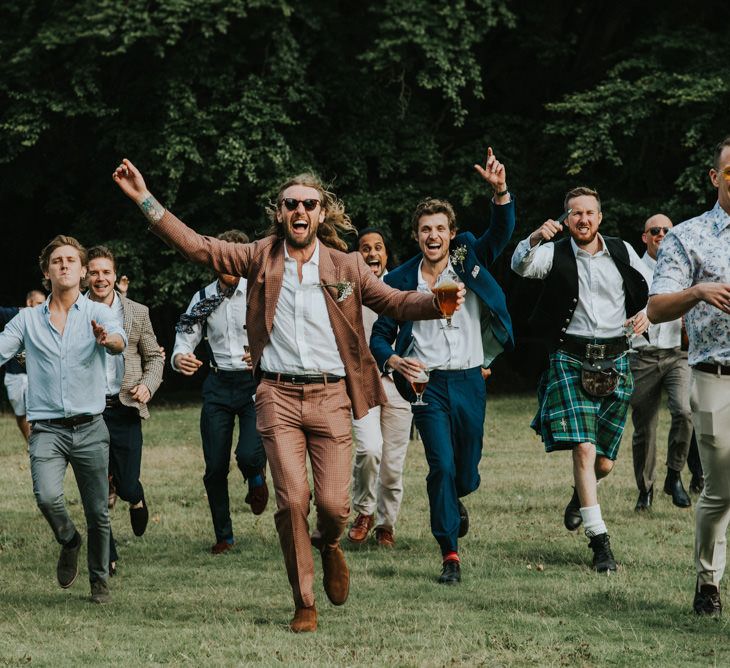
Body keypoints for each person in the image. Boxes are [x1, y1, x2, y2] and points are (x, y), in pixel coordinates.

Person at [113, 160, 452, 633]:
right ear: (279, 213)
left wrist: (435, 302)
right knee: (293, 500)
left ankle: (330, 544)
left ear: (320, 212)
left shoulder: (346, 264)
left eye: (309, 204)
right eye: (291, 203)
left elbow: (394, 301)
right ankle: (304, 601)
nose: (300, 210)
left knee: (333, 507)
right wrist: (143, 199)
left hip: (333, 397)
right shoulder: (258, 257)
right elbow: (198, 248)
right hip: (276, 394)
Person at [370, 147, 515, 585]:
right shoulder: (399, 280)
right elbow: (379, 335)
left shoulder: (469, 257)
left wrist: (501, 192)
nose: (433, 236)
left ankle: (456, 499)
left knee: (466, 470)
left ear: (452, 233)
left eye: (440, 228)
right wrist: (394, 359)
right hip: (427, 386)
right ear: (416, 236)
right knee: (442, 466)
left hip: (471, 379)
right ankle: (449, 552)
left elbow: (500, 232)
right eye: (424, 230)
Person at [511, 186, 649, 573]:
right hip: (570, 360)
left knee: (603, 462)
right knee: (584, 451)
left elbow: (656, 287)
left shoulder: (622, 251)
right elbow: (520, 265)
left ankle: (580, 495)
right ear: (566, 219)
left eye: (589, 213)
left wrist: (649, 314)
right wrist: (537, 235)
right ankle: (600, 542)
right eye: (575, 214)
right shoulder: (552, 254)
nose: (583, 219)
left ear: (599, 217)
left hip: (617, 359)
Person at [0, 235, 126, 603]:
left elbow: (118, 338)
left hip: (90, 427)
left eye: (72, 260)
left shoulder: (98, 313)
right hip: (47, 430)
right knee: (47, 496)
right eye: (57, 261)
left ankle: (99, 580)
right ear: (47, 272)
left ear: (84, 271)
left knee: (98, 511)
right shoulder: (27, 320)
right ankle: (69, 539)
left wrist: (109, 341)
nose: (65, 265)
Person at [647, 136, 730, 616]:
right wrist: (698, 291)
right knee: (722, 487)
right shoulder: (688, 236)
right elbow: (657, 308)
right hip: (714, 374)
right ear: (715, 177)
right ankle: (707, 581)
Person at [171, 229, 269, 555]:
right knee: (215, 466)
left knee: (248, 454)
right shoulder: (203, 299)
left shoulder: (261, 294)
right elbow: (186, 333)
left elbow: (283, 333)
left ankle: (256, 477)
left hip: (255, 383)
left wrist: (262, 352)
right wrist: (180, 356)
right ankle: (224, 536)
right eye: (223, 257)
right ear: (215, 260)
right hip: (217, 385)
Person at [86, 245, 164, 574]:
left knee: (127, 483)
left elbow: (155, 357)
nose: (100, 278)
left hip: (125, 407)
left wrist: (148, 384)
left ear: (115, 276)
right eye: (94, 272)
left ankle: (135, 495)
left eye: (106, 272)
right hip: (88, 410)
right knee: (97, 487)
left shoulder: (137, 312)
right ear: (85, 277)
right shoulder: (76, 312)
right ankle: (107, 551)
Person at [347, 228, 413, 548]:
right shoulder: (347, 290)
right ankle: (363, 512)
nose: (372, 253)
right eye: (364, 248)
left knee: (392, 462)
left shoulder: (400, 284)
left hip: (399, 383)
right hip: (362, 381)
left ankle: (386, 525)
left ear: (386, 255)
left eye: (378, 247)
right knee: (369, 449)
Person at [629, 215, 693, 512]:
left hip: (676, 354)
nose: (662, 234)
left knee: (684, 411)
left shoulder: (682, 267)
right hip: (642, 356)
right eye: (655, 230)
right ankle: (646, 489)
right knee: (645, 427)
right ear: (645, 237)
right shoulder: (633, 268)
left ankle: (674, 475)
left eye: (667, 230)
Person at [1, 290, 45, 443]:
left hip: (35, 376)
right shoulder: (13, 314)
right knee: (20, 414)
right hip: (14, 375)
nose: (43, 306)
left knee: (34, 411)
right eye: (39, 303)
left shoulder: (46, 318)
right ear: (29, 303)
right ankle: (29, 442)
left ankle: (37, 444)